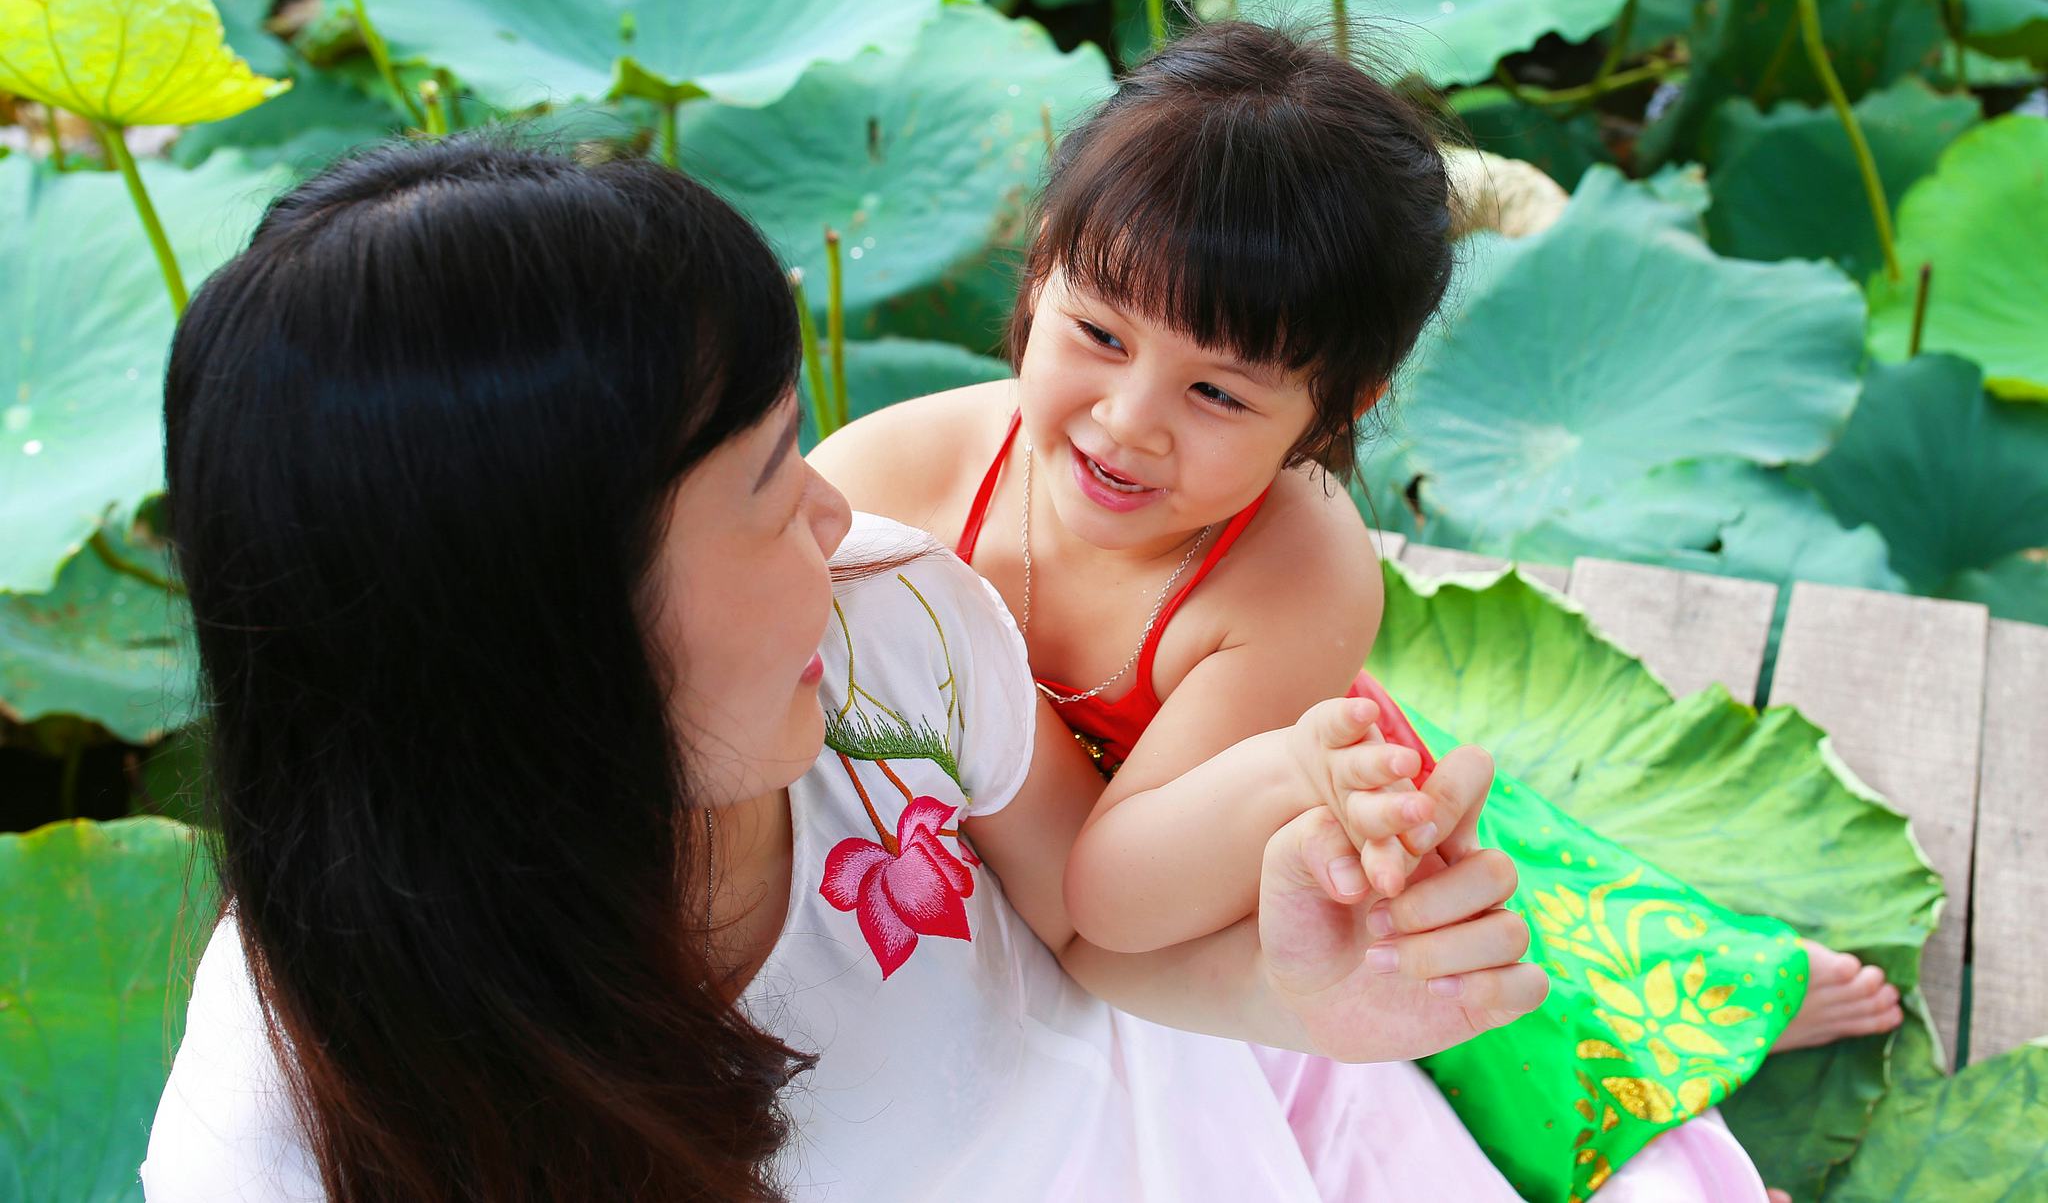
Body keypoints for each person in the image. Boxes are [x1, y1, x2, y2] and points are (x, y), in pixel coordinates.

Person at [143, 136, 1565, 1203]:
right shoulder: (294, 1096)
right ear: (544, 628)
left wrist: (1294, 1001)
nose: (841, 512)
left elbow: (1082, 928)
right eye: (772, 485)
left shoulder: (893, 629)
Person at [809, 19, 1900, 1202]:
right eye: (1097, 333)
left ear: (1336, 406)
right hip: (1059, 840)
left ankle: (1732, 1005)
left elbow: (1116, 904)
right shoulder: (894, 473)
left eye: (1217, 389)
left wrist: (1287, 777)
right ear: (1037, 273)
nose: (1128, 420)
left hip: (1231, 822)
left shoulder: (1297, 571)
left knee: (1504, 1015)